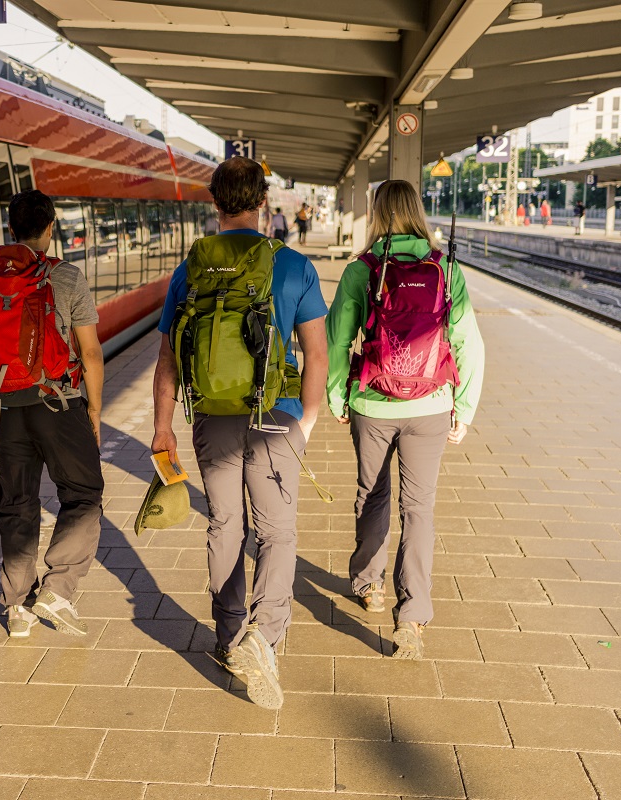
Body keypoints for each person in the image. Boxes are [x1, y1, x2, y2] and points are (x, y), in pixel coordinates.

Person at [151, 157, 328, 708]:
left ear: (216, 204)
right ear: (263, 203)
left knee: (225, 523)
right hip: (276, 416)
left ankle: (229, 636)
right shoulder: (294, 266)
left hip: (211, 414)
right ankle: (265, 638)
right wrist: (308, 419)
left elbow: (166, 361)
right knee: (276, 532)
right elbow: (317, 354)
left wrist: (162, 428)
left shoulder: (192, 268)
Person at [325, 179, 485, 660]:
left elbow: (337, 340)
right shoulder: (445, 268)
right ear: (417, 211)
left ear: (376, 214)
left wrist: (337, 397)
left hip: (373, 404)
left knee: (372, 496)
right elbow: (469, 344)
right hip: (432, 405)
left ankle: (369, 586)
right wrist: (465, 407)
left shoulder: (364, 270)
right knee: (419, 509)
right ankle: (413, 617)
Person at [0, 190, 105, 638]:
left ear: (11, 229)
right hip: (59, 404)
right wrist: (96, 412)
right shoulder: (65, 276)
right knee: (83, 493)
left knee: (15, 504)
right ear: (51, 228)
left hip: (5, 406)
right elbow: (90, 352)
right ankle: (59, 588)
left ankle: (16, 606)